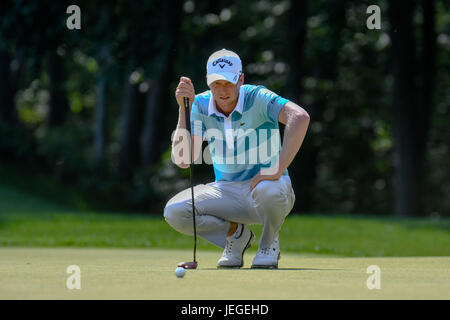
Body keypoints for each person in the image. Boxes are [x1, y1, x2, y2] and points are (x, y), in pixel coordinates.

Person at [164, 49, 310, 269]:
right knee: (175, 212)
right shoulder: (200, 104)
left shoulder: (257, 97)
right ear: (207, 81)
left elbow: (299, 117)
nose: (222, 91)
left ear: (241, 79)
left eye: (229, 83)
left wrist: (278, 168)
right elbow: (184, 159)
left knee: (268, 190)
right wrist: (184, 108)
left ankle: (268, 244)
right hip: (227, 192)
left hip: (267, 188)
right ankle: (237, 236)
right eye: (216, 83)